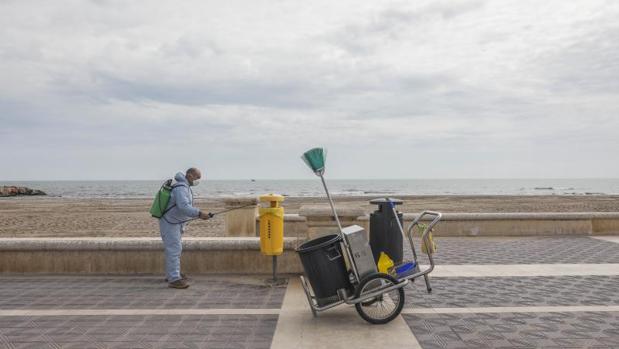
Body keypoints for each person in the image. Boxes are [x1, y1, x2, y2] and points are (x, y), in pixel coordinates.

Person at [160, 168, 211, 289]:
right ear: (189, 175)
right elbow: (183, 206)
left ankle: (172, 274)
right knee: (174, 249)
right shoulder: (181, 188)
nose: (197, 181)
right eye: (196, 178)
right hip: (170, 222)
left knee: (175, 249)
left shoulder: (183, 186)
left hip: (174, 222)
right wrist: (199, 213)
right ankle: (174, 279)